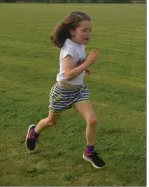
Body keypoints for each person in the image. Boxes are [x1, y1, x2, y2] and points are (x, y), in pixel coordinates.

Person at [26, 11, 105, 168]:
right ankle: (34, 132)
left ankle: (89, 152)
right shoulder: (68, 48)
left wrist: (83, 68)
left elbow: (77, 65)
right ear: (72, 31)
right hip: (62, 93)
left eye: (90, 30)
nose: (88, 33)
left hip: (78, 91)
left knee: (92, 120)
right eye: (84, 30)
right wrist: (86, 64)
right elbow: (68, 74)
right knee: (50, 122)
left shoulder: (80, 44)